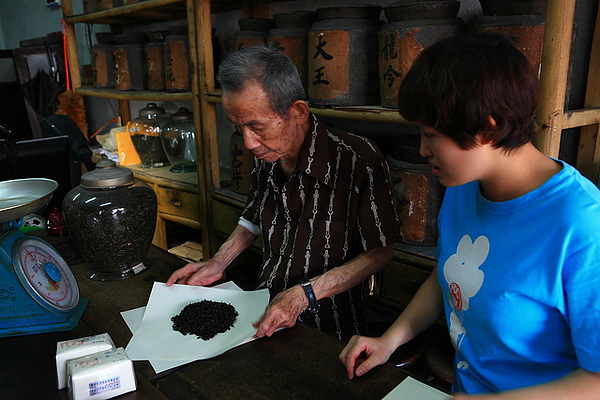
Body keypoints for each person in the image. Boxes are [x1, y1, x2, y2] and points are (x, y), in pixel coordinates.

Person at [339, 32, 600, 398]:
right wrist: (389, 340)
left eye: (431, 135)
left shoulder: (582, 225)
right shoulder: (464, 185)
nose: (422, 149)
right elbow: (449, 273)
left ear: (486, 128)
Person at [167, 46, 400, 342]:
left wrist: (305, 295)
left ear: (298, 112)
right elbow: (253, 215)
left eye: (257, 127)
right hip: (262, 311)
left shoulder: (358, 160)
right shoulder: (268, 152)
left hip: (331, 327)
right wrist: (218, 261)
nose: (249, 143)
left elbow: (380, 252)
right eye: (238, 127)